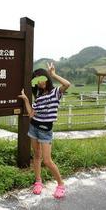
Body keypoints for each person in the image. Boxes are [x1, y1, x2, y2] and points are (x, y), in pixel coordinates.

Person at [18, 62, 71, 199]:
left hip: (45, 130)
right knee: (36, 156)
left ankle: (60, 184)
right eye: (37, 81)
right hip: (34, 128)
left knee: (47, 161)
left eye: (42, 78)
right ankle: (38, 181)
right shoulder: (39, 97)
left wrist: (53, 74)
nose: (40, 82)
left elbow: (67, 84)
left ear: (46, 78)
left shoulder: (55, 93)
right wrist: (26, 100)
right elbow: (31, 114)